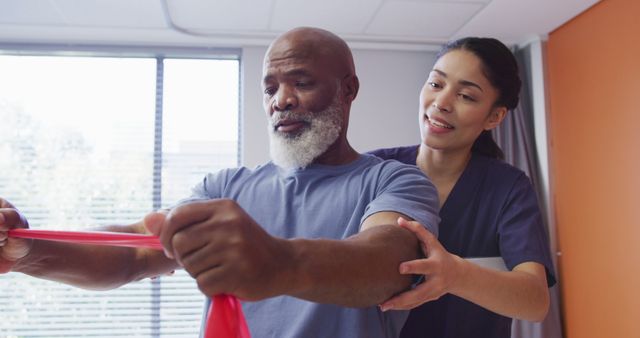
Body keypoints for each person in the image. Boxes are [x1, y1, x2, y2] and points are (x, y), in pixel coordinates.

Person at [0, 27, 440, 338]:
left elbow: (389, 263)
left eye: (301, 83)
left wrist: (278, 263)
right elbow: (135, 252)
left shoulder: (395, 180)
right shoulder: (224, 188)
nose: (281, 100)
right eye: (269, 88)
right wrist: (28, 252)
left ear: (349, 89)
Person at [371, 37, 556, 338]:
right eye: (435, 84)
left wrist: (455, 275)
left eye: (466, 96)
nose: (441, 103)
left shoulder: (507, 188)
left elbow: (535, 302)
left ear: (494, 117)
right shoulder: (374, 169)